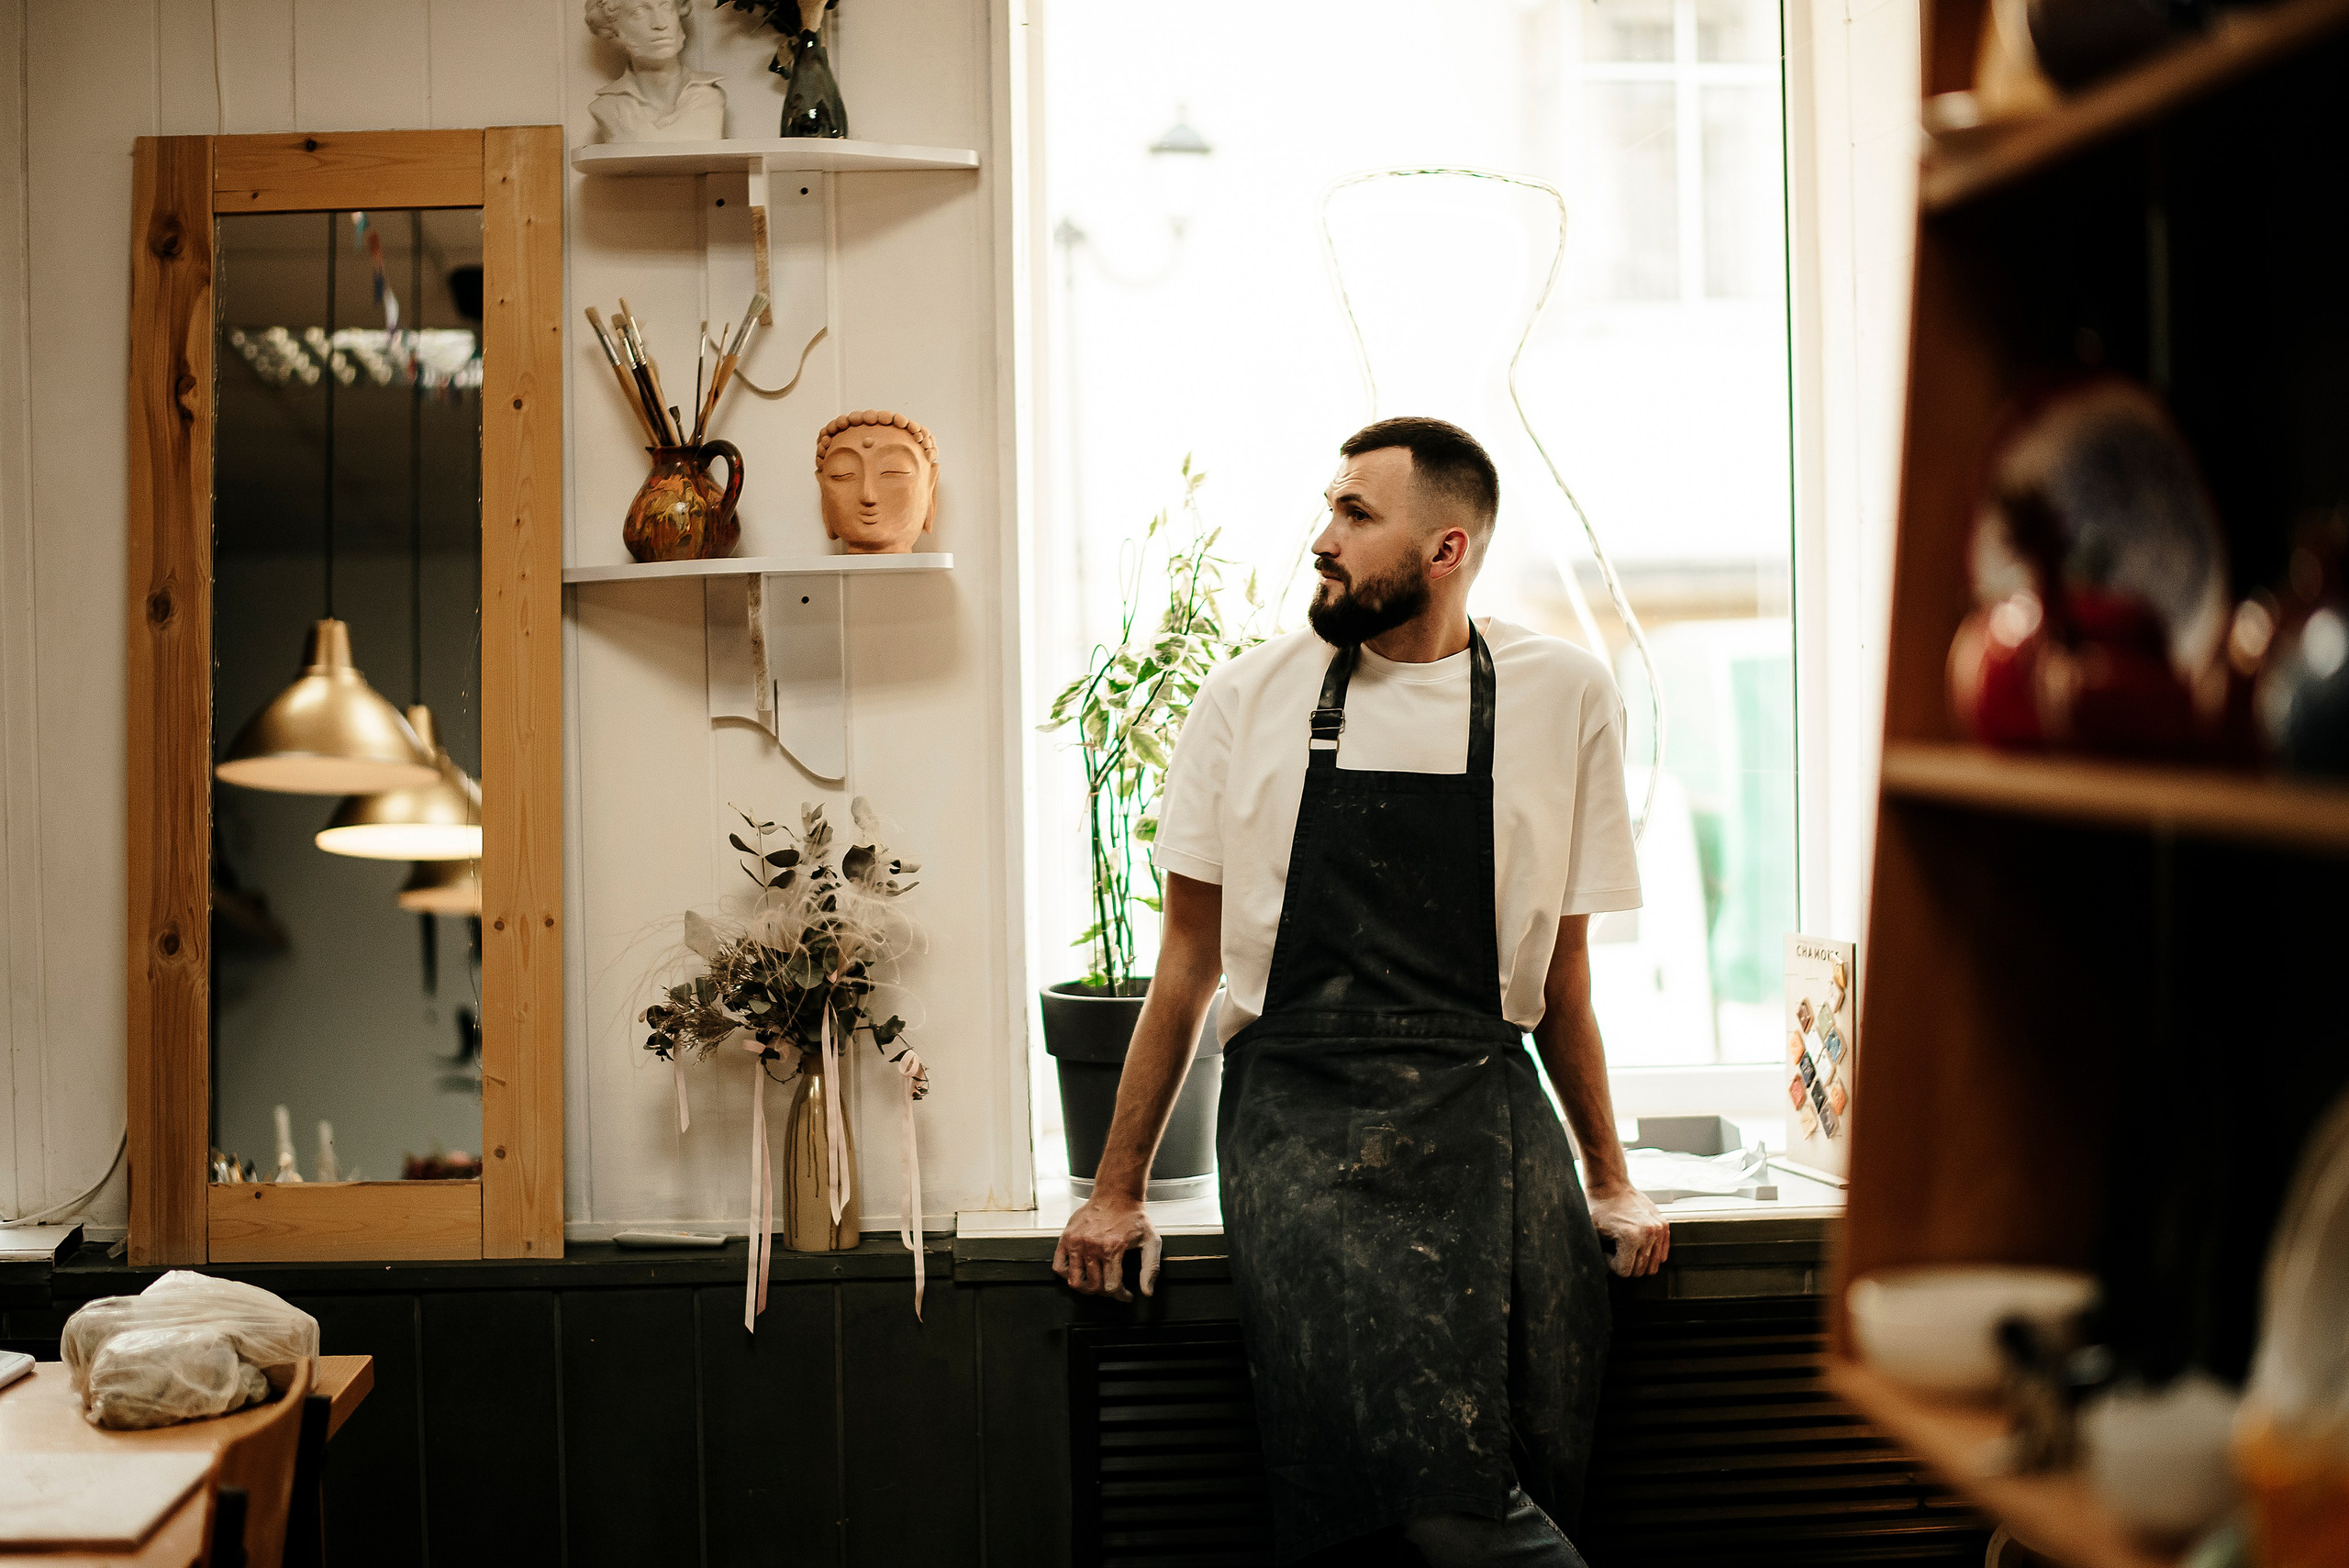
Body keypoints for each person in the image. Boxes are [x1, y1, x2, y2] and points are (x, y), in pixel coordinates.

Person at [1054, 417, 1670, 1567]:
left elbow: (1564, 974)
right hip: (1303, 1117)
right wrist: (1113, 1189)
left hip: (1487, 1101)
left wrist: (1613, 1178)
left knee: (1538, 1417)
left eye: (1353, 515)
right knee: (1430, 1477)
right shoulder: (1247, 697)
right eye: (1328, 508)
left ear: (1446, 549)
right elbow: (1184, 960)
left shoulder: (1562, 694)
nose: (1319, 540)